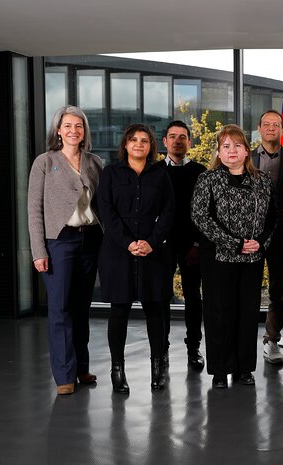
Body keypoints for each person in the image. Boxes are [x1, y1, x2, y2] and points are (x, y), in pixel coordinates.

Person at [191, 124, 275, 389]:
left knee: (247, 314)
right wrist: (235, 243)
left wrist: (259, 244)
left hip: (252, 259)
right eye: (226, 146)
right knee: (219, 314)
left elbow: (273, 218)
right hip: (218, 259)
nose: (232, 151)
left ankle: (244, 369)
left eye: (237, 145)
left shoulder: (262, 180)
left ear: (247, 151)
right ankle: (219, 370)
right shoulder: (208, 179)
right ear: (219, 150)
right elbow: (200, 217)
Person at [27, 105, 103, 396]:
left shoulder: (95, 162)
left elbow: (101, 204)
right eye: (68, 126)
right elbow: (34, 210)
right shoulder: (44, 162)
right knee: (60, 308)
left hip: (91, 239)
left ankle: (81, 368)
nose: (74, 131)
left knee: (82, 307)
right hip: (59, 242)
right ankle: (64, 376)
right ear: (58, 130)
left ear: (84, 132)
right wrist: (38, 250)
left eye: (79, 126)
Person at [97, 123, 175, 393]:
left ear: (151, 146)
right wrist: (129, 242)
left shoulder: (161, 175)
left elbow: (168, 212)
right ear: (126, 145)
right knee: (119, 309)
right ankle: (117, 370)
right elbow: (106, 213)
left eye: (144, 140)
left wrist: (151, 242)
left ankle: (158, 367)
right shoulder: (110, 173)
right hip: (118, 250)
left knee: (155, 309)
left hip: (152, 250)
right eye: (133, 140)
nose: (139, 144)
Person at [250, 110, 283, 365]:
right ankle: (244, 340)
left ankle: (272, 340)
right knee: (248, 289)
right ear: (259, 128)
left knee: (278, 289)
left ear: (282, 130)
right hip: (251, 237)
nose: (271, 128)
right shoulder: (246, 158)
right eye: (266, 124)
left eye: (276, 124)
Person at [162, 120, 207, 370]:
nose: (178, 141)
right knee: (161, 297)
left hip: (192, 245)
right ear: (165, 142)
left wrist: (197, 244)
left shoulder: (200, 172)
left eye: (183, 137)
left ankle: (194, 348)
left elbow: (205, 213)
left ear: (190, 142)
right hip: (163, 245)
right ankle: (163, 348)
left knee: (193, 297)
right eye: (173, 136)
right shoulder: (156, 171)